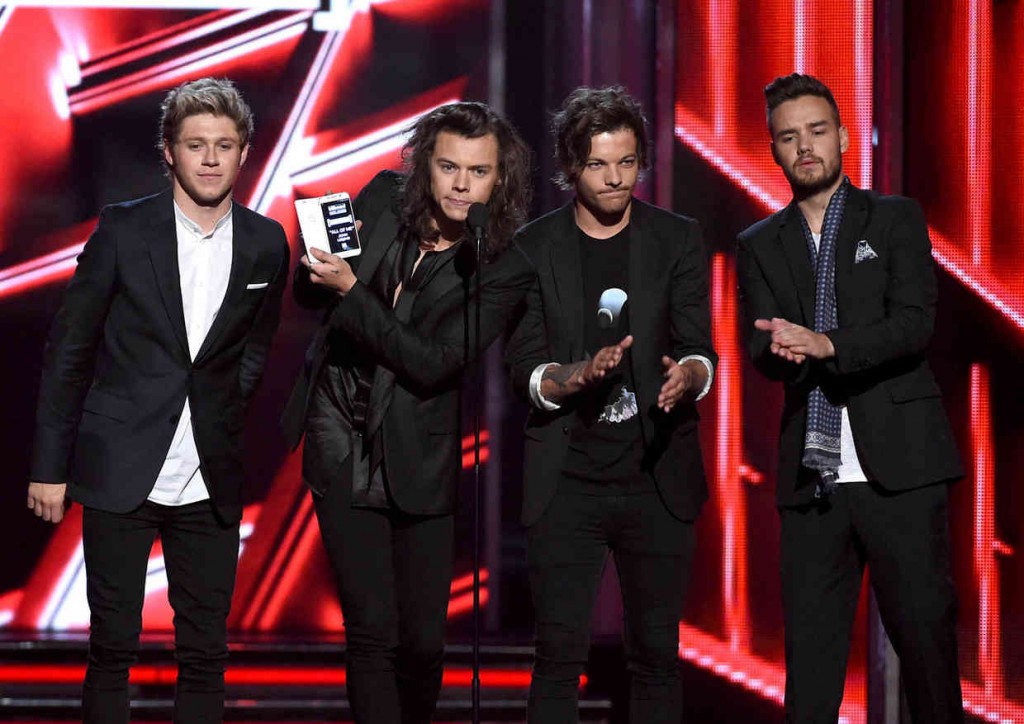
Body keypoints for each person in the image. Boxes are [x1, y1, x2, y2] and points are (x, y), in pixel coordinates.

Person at [27, 77, 289, 724]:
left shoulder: (266, 242)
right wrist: (49, 466)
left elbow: (254, 347)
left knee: (205, 653)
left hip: (210, 476)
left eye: (223, 145)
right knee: (111, 648)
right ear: (169, 151)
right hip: (120, 465)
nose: (210, 158)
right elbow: (70, 349)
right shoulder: (123, 230)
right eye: (195, 144)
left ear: (244, 152)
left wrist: (224, 412)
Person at [280, 101, 533, 724]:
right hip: (341, 431)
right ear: (425, 166)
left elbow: (430, 363)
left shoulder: (503, 264)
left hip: (420, 449)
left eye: (478, 172)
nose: (461, 185)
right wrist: (316, 268)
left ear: (499, 178)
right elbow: (311, 297)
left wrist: (349, 292)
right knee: (370, 630)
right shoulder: (382, 197)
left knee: (421, 643)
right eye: (448, 167)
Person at [736, 72, 964, 723]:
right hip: (813, 482)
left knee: (927, 655)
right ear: (774, 150)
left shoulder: (894, 219)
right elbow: (760, 345)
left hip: (903, 469)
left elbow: (913, 324)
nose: (804, 147)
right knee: (810, 674)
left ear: (842, 136)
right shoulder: (759, 243)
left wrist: (826, 344)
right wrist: (781, 351)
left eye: (816, 131)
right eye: (789, 137)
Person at [505, 86, 716, 723]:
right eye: (598, 164)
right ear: (572, 167)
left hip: (657, 478)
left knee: (656, 657)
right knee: (557, 658)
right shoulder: (532, 247)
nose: (616, 178)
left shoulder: (677, 238)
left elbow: (699, 347)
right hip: (566, 483)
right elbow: (523, 367)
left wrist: (689, 377)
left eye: (626, 162)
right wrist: (573, 378)